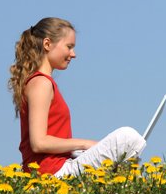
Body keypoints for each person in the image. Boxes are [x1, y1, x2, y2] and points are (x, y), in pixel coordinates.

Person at [8, 17, 146, 177]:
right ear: (47, 44)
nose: (73, 54)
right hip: (51, 173)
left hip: (62, 165)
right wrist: (85, 144)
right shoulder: (40, 83)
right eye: (69, 47)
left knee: (127, 144)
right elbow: (39, 143)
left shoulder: (43, 83)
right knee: (127, 136)